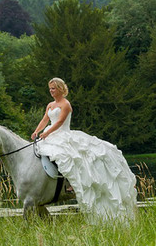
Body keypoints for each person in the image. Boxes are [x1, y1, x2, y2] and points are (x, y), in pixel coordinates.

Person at [31, 77, 137, 223]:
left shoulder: (66, 104)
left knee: (65, 155)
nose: (51, 91)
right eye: (50, 89)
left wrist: (47, 133)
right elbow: (45, 120)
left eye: (54, 88)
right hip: (50, 133)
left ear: (61, 89)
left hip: (62, 134)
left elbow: (61, 121)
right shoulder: (50, 105)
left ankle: (70, 184)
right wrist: (37, 131)